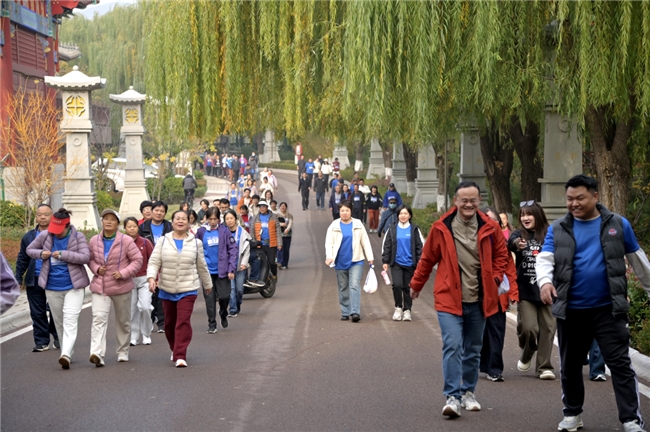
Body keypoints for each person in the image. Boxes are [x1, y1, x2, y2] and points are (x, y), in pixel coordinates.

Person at [536, 175, 650, 432]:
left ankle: (631, 419)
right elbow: (545, 259)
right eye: (570, 199)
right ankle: (572, 414)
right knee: (570, 366)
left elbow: (639, 261)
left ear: (595, 196)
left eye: (580, 198)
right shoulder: (558, 228)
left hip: (608, 310)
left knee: (620, 364)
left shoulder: (618, 224)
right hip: (571, 310)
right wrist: (544, 282)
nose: (574, 203)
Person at [409, 181, 509, 419]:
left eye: (473, 200)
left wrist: (495, 279)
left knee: (473, 349)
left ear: (479, 200)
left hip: (479, 299)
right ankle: (452, 397)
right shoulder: (441, 227)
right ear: (455, 201)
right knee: (452, 345)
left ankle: (468, 393)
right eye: (464, 200)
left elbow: (501, 255)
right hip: (449, 299)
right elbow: (427, 259)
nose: (469, 204)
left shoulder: (491, 227)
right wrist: (416, 284)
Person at [26, 208, 91, 370]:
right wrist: (41, 253)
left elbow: (85, 257)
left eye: (59, 229)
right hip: (51, 286)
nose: (55, 233)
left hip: (74, 286)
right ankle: (67, 350)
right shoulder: (45, 235)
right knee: (59, 321)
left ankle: (65, 354)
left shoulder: (78, 237)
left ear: (67, 226)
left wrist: (64, 254)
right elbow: (29, 250)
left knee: (70, 319)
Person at [147, 210, 213, 367]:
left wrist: (207, 284)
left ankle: (180, 355)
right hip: (167, 288)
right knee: (169, 323)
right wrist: (151, 278)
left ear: (189, 223)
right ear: (172, 222)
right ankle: (175, 348)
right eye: (177, 218)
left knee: (183, 321)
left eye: (184, 219)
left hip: (188, 288)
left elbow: (201, 265)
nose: (181, 221)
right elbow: (154, 261)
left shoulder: (196, 243)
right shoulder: (163, 241)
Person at [87, 210, 143, 367]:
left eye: (112, 219)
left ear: (118, 223)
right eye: (106, 219)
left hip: (121, 287)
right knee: (98, 318)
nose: (108, 221)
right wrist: (97, 269)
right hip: (100, 286)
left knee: (123, 321)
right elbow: (90, 260)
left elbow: (137, 260)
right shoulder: (94, 240)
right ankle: (97, 353)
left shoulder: (126, 240)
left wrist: (124, 273)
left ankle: (122, 351)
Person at [508, 200, 556, 380]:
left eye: (529, 214)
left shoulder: (550, 233)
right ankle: (527, 352)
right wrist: (517, 245)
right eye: (522, 215)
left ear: (538, 215)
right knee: (529, 329)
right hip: (526, 291)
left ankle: (544, 367)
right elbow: (511, 242)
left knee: (548, 329)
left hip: (548, 289)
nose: (525, 218)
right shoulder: (519, 234)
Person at [480, 206, 519, 382]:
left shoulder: (503, 246)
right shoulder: (471, 243)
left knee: (496, 333)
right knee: (479, 334)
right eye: (485, 219)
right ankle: (481, 364)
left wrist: (514, 293)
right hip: (477, 296)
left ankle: (495, 369)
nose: (489, 222)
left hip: (497, 296)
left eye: (493, 219)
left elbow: (510, 270)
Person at [15, 204, 60, 351]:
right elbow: (22, 258)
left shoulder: (58, 235)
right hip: (34, 278)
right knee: (37, 311)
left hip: (54, 278)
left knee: (56, 309)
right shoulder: (29, 237)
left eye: (46, 214)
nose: (42, 217)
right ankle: (42, 341)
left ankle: (58, 337)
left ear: (52, 216)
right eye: (39, 214)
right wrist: (18, 278)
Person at [324, 201, 374, 322]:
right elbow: (329, 243)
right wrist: (329, 256)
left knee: (354, 285)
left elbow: (365, 241)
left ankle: (355, 312)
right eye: (342, 211)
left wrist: (370, 257)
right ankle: (345, 311)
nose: (344, 213)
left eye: (347, 210)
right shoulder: (334, 226)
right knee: (343, 287)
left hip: (356, 260)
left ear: (351, 211)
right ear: (339, 211)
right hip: (340, 261)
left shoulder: (358, 224)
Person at [196, 207, 238, 333]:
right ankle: (212, 324)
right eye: (210, 219)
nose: (213, 221)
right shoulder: (201, 232)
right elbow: (194, 249)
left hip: (222, 271)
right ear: (206, 219)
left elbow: (233, 250)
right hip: (207, 272)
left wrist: (231, 269)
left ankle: (223, 312)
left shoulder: (224, 231)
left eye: (215, 219)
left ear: (219, 219)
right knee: (210, 299)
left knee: (224, 296)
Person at [381, 205, 424, 322]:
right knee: (397, 285)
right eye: (401, 213)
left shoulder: (414, 230)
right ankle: (398, 308)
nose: (403, 216)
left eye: (405, 213)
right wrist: (385, 261)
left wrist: (420, 262)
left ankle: (407, 310)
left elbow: (420, 247)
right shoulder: (392, 229)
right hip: (396, 263)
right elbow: (387, 245)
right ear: (398, 215)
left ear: (409, 215)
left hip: (410, 264)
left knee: (408, 287)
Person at [139, 201, 172, 333]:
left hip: (166, 265)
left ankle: (162, 322)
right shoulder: (143, 227)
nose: (159, 213)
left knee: (163, 294)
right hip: (149, 265)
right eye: (156, 210)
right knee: (151, 294)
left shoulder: (169, 227)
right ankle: (150, 320)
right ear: (151, 211)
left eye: (162, 211)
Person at [124, 217, 154, 347]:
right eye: (129, 226)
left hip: (144, 278)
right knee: (132, 310)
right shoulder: (121, 243)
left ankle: (146, 333)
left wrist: (155, 278)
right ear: (125, 228)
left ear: (138, 227)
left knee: (145, 307)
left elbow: (153, 260)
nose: (132, 229)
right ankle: (134, 336)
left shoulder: (145, 242)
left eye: (134, 226)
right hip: (128, 279)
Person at [223, 209, 250, 317]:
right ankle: (233, 310)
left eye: (231, 218)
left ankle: (238, 304)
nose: (229, 221)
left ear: (236, 219)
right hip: (229, 266)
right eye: (227, 219)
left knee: (239, 290)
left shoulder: (242, 232)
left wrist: (244, 263)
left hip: (240, 265)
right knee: (232, 289)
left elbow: (247, 249)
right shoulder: (223, 233)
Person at [250, 200, 283, 282]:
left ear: (267, 207)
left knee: (271, 262)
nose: (262, 208)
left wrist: (279, 243)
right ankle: (263, 278)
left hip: (271, 244)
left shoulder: (273, 217)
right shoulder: (255, 218)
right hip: (260, 244)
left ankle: (274, 275)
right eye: (260, 207)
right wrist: (253, 243)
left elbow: (278, 231)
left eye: (263, 206)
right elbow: (252, 231)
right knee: (261, 262)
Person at [276, 202, 293, 270]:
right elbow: (275, 223)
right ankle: (280, 262)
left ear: (286, 207)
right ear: (279, 207)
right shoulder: (276, 215)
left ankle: (285, 264)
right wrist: (281, 224)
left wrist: (287, 229)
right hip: (279, 235)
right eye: (281, 206)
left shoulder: (289, 215)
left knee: (286, 249)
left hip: (287, 235)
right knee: (279, 249)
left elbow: (291, 223)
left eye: (284, 206)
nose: (283, 207)